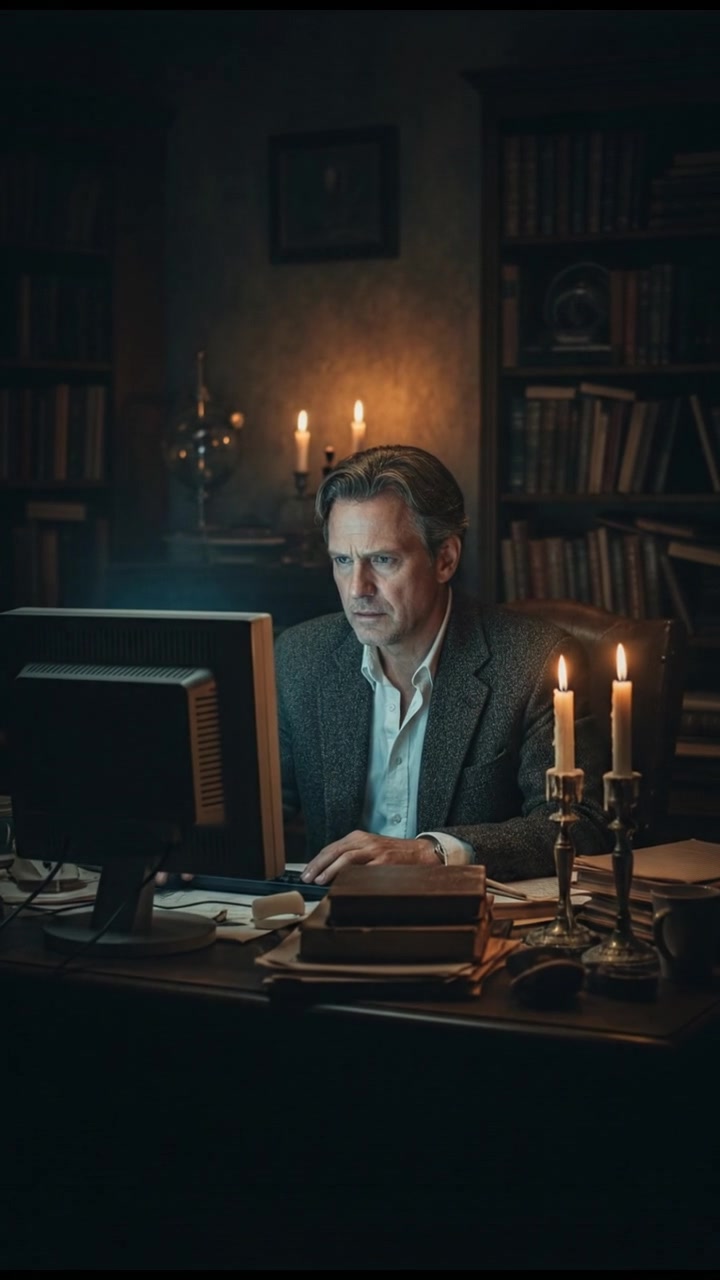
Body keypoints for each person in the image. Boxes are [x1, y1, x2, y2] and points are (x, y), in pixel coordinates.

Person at [276, 443, 613, 886]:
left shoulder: (535, 662)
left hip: (474, 921)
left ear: (445, 559)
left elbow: (582, 823)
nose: (358, 588)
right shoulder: (300, 657)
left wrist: (433, 853)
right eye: (343, 560)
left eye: (383, 560)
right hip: (327, 924)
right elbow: (257, 807)